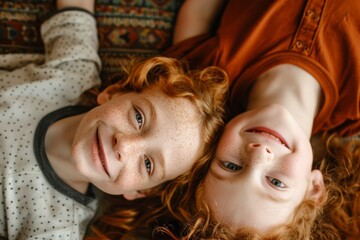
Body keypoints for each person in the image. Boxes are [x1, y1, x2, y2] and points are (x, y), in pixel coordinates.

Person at [86, 0, 360, 239]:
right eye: (275, 182)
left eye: (231, 165)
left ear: (209, 148)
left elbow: (198, 10)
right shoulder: (354, 108)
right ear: (314, 188)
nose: (258, 156)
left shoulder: (205, 77)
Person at [0, 0, 229, 239]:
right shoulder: (74, 74)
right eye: (139, 118)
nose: (125, 145)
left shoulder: (55, 228)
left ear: (140, 191)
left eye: (148, 164)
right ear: (113, 92)